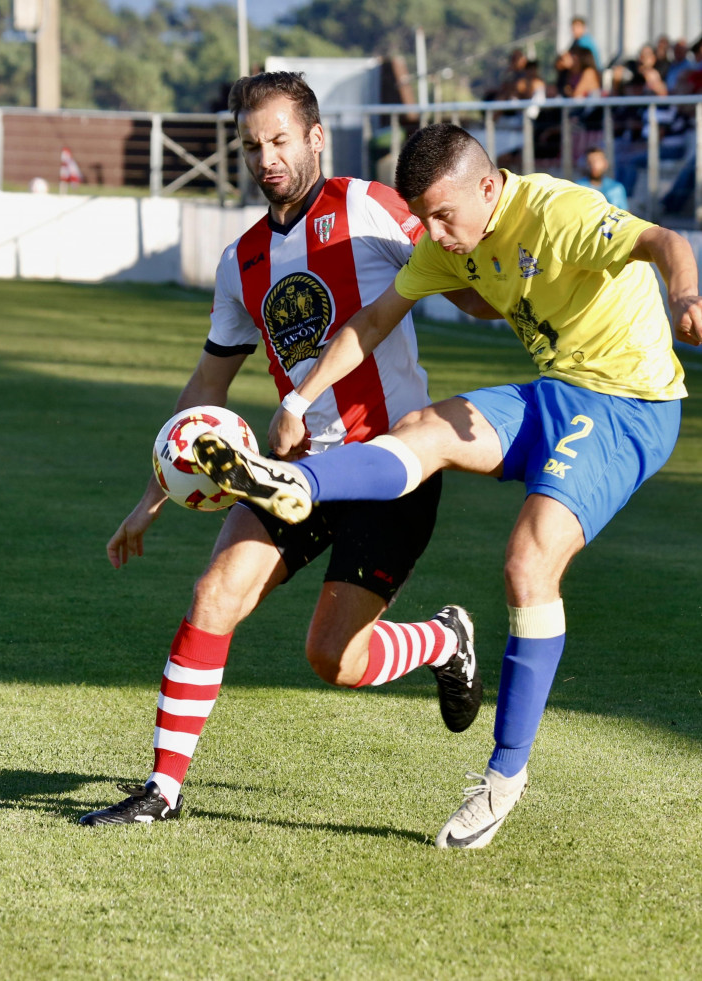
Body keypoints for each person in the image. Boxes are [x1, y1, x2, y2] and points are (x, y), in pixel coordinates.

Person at [193, 122, 702, 849]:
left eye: (441, 216)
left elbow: (663, 242)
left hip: (630, 406)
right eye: (422, 217)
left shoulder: (557, 211)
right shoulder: (444, 240)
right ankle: (293, 478)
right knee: (425, 427)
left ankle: (502, 777)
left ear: (489, 188)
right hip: (556, 390)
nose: (429, 234)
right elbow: (371, 320)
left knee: (528, 562)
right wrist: (300, 402)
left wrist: (685, 294)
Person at [79, 74, 494, 827]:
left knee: (332, 659)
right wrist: (151, 497)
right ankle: (162, 791)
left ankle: (443, 636)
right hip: (291, 472)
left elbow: (461, 274)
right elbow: (208, 383)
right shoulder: (241, 261)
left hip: (394, 464)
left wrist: (525, 297)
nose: (265, 157)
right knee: (213, 596)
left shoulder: (369, 206)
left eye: (278, 140)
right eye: (250, 145)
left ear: (313, 138)